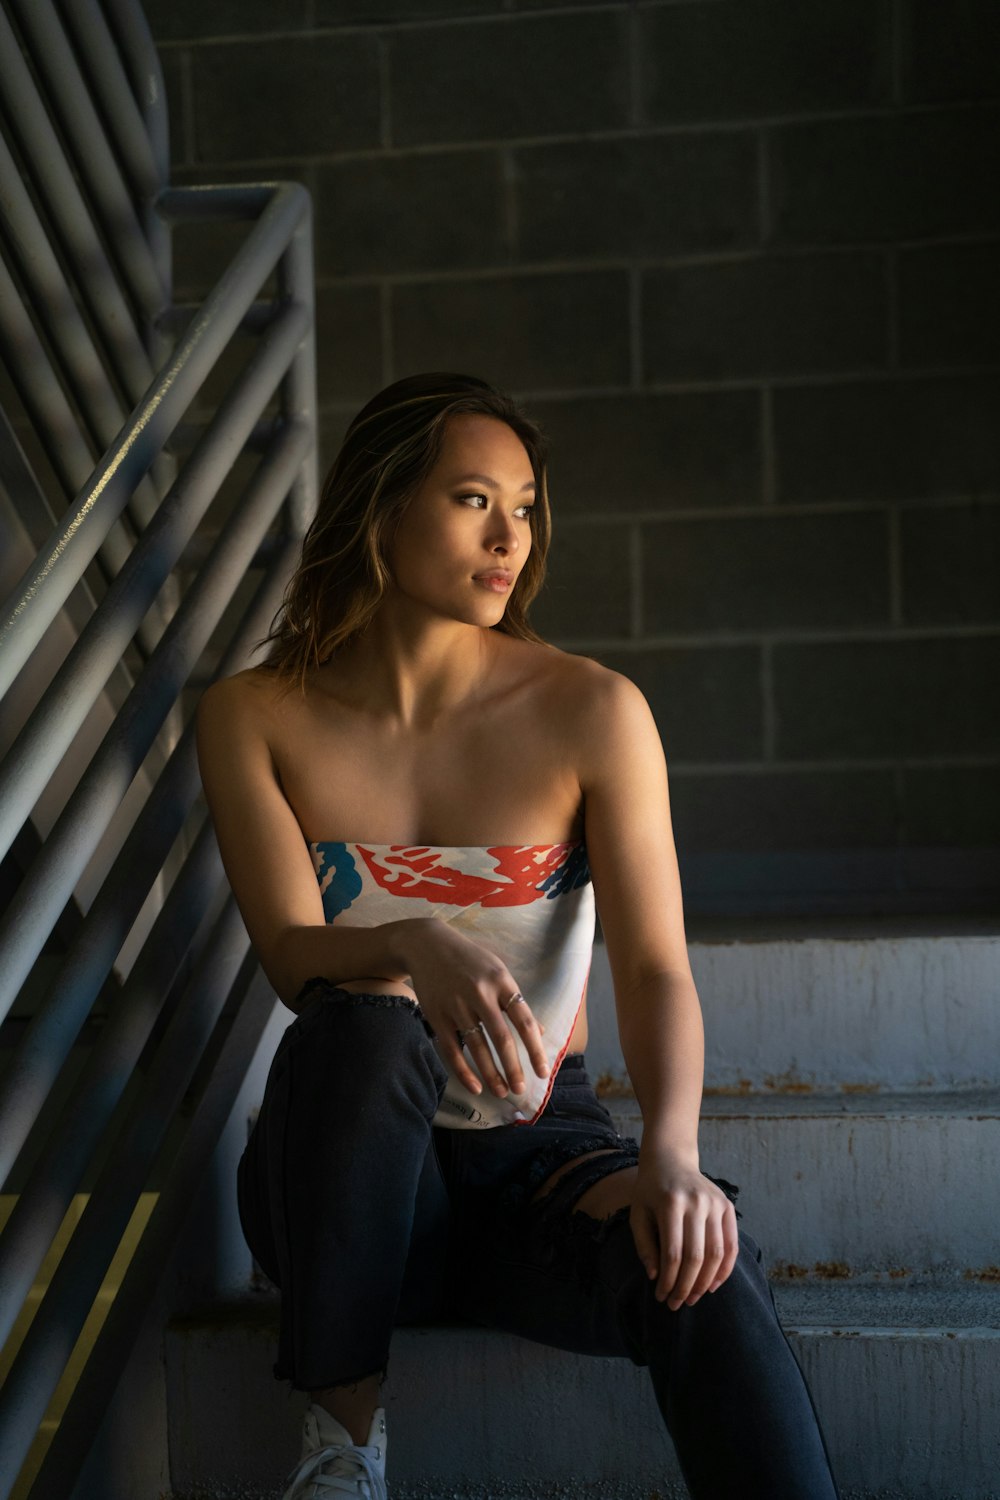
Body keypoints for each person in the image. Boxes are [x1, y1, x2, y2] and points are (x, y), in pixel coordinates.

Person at [195, 372, 840, 1500]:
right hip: (341, 1181)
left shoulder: (589, 709)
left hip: (535, 1153)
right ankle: (343, 1453)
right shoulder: (257, 714)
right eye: (472, 500)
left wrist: (671, 1158)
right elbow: (295, 953)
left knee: (703, 1270)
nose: (511, 537)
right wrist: (414, 944)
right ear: (381, 511)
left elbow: (649, 966)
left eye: (527, 506)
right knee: (367, 1028)